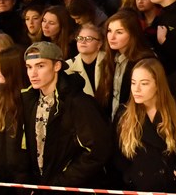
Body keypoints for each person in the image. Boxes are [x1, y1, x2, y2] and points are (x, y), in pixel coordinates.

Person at [22, 41, 111, 188]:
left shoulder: (80, 103)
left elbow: (97, 151)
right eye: (29, 67)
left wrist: (62, 182)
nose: (33, 73)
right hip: (43, 186)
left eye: (40, 66)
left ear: (57, 66)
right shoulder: (29, 100)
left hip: (72, 187)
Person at [113, 58, 176, 192]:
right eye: (133, 83)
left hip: (169, 187)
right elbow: (115, 152)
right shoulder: (123, 114)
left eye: (144, 83)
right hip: (137, 187)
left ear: (158, 84)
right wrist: (129, 175)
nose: (136, 89)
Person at [96, 9, 156, 120]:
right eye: (109, 31)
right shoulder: (110, 58)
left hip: (135, 122)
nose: (112, 37)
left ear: (132, 34)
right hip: (113, 122)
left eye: (119, 32)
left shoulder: (145, 61)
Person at [0, 46, 29, 189]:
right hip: (0, 178)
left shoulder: (29, 101)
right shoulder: (0, 98)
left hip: (24, 181)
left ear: (11, 70)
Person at [65, 24, 105, 96]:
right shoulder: (68, 66)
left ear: (99, 44)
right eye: (80, 38)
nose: (83, 42)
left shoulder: (110, 61)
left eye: (89, 38)